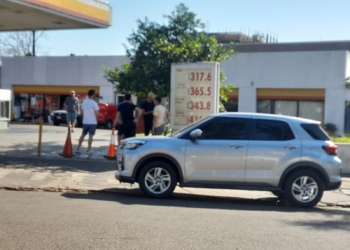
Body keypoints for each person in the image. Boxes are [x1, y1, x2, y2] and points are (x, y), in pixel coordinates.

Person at [76, 89, 99, 155]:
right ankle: (88, 150)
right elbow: (97, 113)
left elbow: (82, 113)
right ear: (92, 95)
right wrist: (96, 120)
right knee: (90, 136)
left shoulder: (84, 102)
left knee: (83, 135)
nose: (95, 95)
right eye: (95, 94)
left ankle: (78, 148)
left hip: (85, 122)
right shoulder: (94, 103)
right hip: (92, 122)